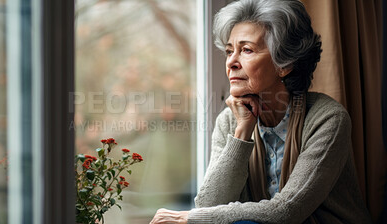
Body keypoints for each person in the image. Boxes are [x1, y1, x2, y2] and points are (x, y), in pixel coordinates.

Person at [150, 0, 373, 223]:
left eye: (246, 50)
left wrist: (190, 218)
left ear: (284, 64)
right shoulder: (229, 121)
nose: (231, 63)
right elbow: (210, 204)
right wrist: (242, 133)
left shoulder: (328, 119)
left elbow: (287, 211)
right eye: (229, 51)